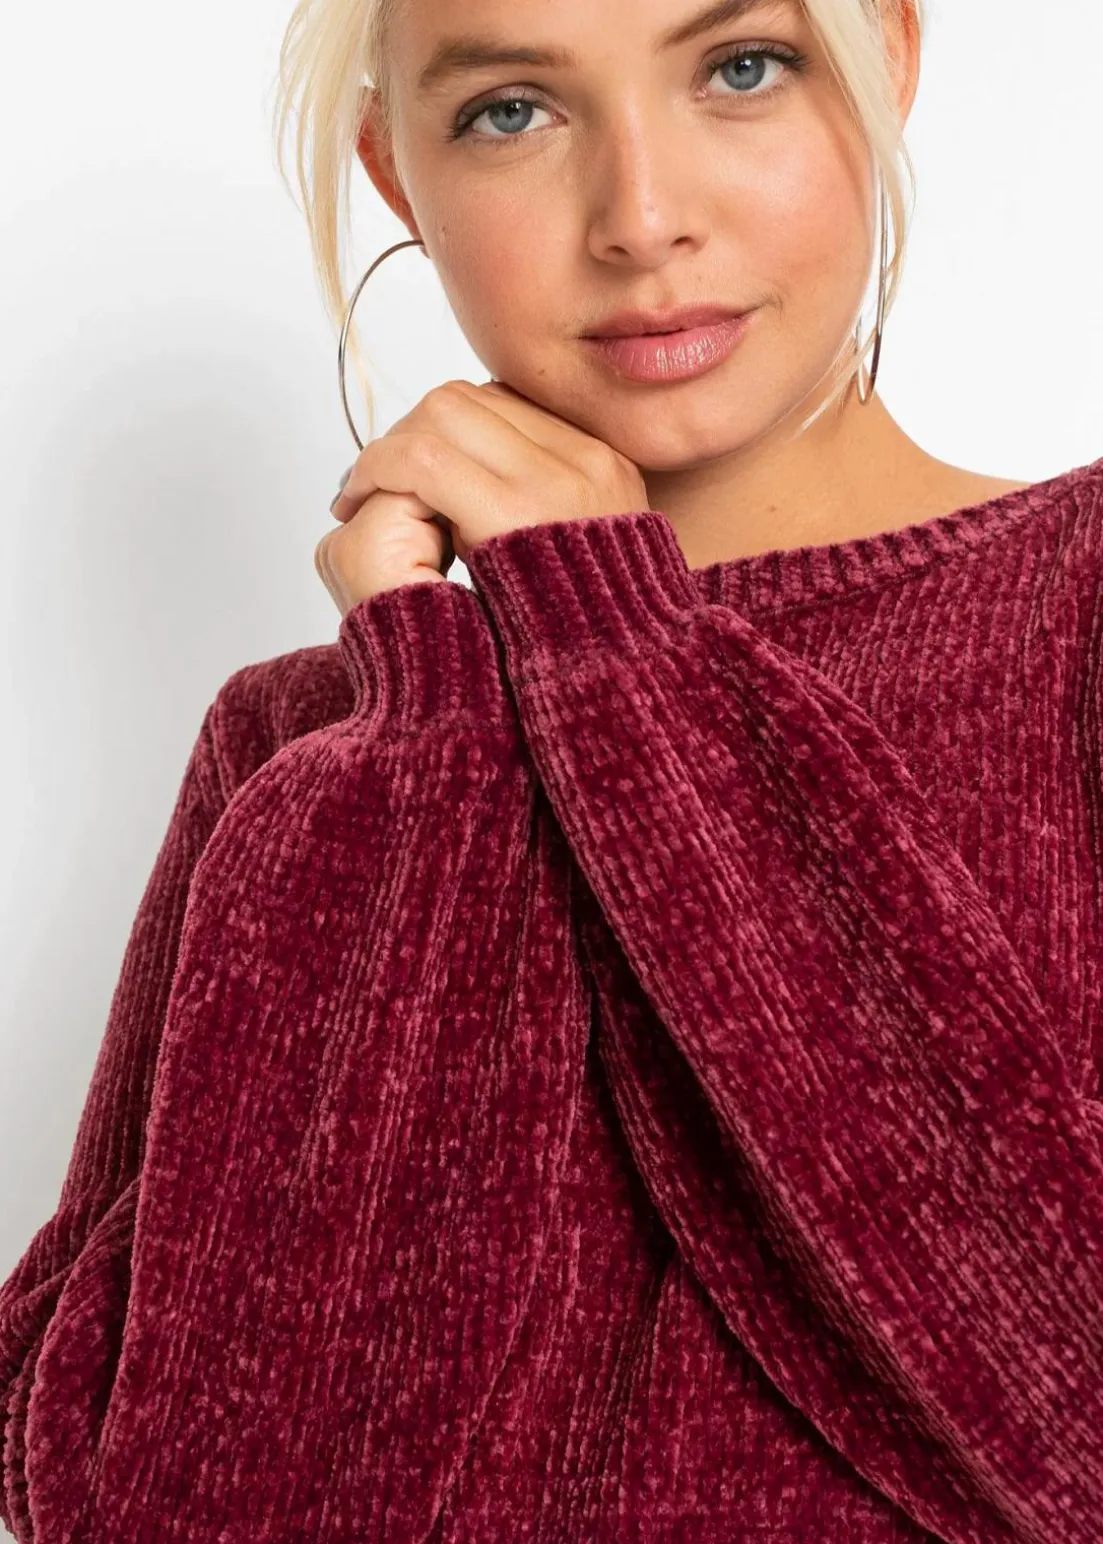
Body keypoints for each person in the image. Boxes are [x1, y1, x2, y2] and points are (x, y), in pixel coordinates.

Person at [3, 0, 1102, 1540]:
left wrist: (615, 648)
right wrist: (428, 736)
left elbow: (1070, 1427)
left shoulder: (1075, 602)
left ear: (888, 64)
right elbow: (164, 1510)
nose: (641, 218)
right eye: (511, 110)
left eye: (739, 67)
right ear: (399, 172)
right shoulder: (309, 748)